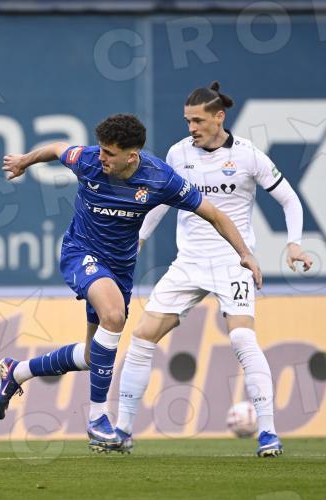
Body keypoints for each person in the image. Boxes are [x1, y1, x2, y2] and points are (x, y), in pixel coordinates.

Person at [0, 113, 262, 452]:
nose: (101, 157)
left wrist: (245, 254)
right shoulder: (87, 160)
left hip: (120, 269)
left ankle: (17, 372)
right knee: (114, 316)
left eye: (109, 153)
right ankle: (97, 419)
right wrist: (24, 161)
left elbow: (215, 215)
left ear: (131, 156)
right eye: (101, 149)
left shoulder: (161, 179)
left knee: (92, 356)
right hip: (80, 253)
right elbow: (57, 148)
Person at [116, 82, 313, 457]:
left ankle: (268, 433)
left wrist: (294, 243)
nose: (191, 128)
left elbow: (289, 199)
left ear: (219, 117)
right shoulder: (178, 154)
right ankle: (122, 431)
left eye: (198, 120)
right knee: (141, 337)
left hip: (233, 262)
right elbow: (161, 201)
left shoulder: (248, 156)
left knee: (242, 339)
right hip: (188, 263)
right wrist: (138, 238)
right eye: (188, 121)